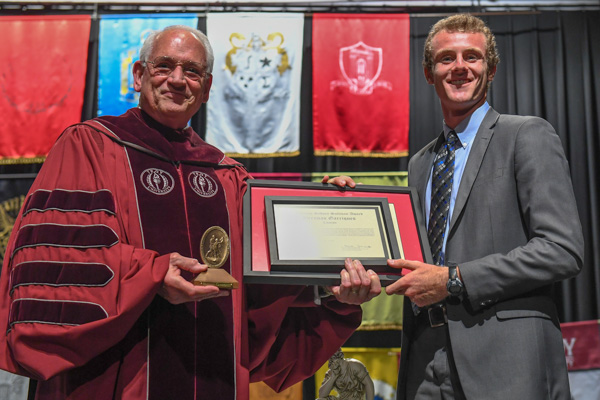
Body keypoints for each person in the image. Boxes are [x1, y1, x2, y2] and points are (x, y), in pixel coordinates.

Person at [0, 25, 381, 400]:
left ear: (208, 88)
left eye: (193, 71)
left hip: (212, 376)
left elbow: (264, 283)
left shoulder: (227, 175)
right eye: (164, 66)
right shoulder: (91, 146)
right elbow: (56, 259)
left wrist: (327, 220)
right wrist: (150, 275)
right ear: (138, 75)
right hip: (116, 376)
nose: (178, 80)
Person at [330, 13, 583, 400]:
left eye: (473, 57)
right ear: (429, 73)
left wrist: (454, 279)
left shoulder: (526, 135)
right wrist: (344, 204)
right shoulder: (420, 163)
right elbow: (408, 255)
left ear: (491, 69)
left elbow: (562, 251)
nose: (460, 67)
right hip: (425, 359)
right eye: (447, 58)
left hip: (507, 362)